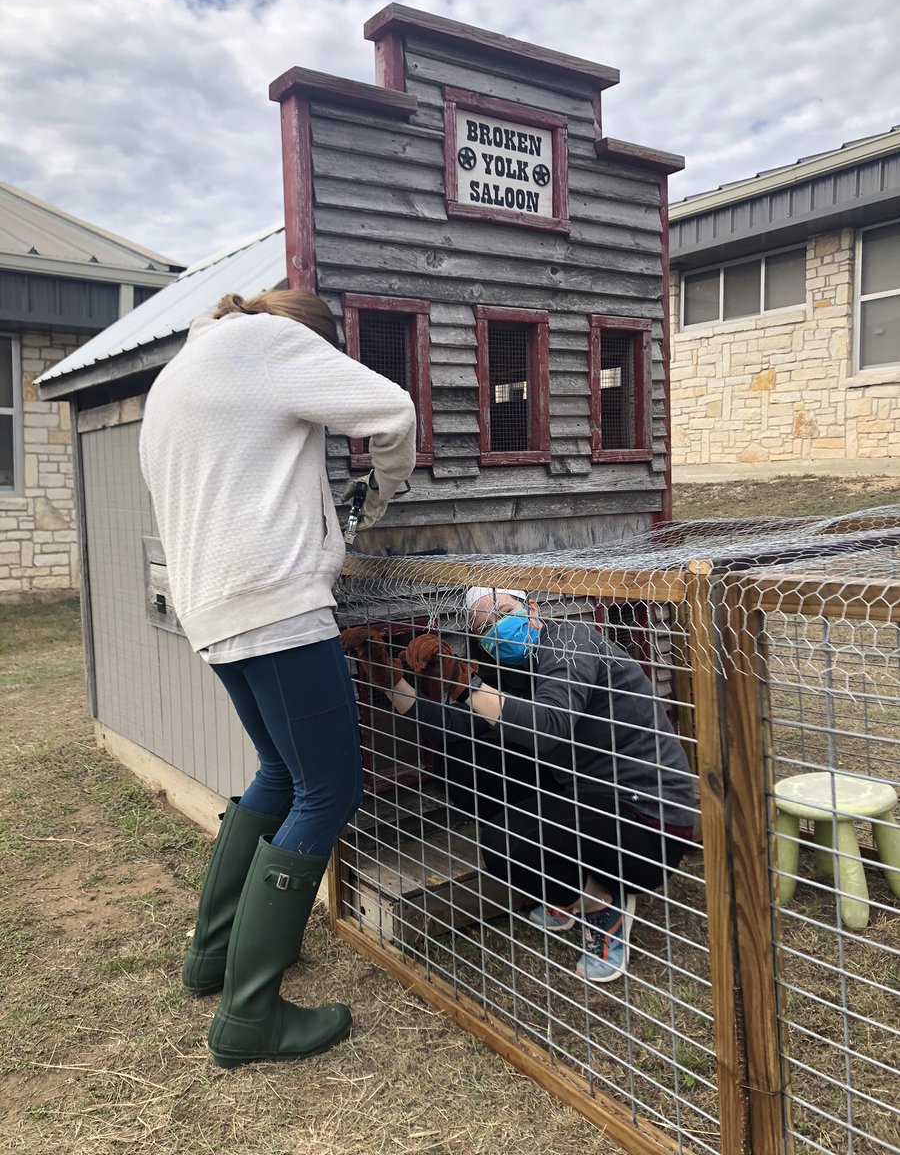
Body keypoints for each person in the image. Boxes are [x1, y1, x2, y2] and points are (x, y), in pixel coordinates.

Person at [139, 287, 416, 1067]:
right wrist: (381, 490)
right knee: (330, 789)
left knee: (278, 774)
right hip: (275, 604)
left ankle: (213, 959)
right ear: (306, 338)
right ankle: (249, 1017)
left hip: (214, 609)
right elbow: (392, 412)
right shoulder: (268, 342)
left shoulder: (181, 372)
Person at [341, 587, 696, 984]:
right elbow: (465, 726)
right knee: (468, 765)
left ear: (532, 610)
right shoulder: (518, 665)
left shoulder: (569, 644)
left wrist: (467, 684)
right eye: (484, 626)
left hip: (649, 820)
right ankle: (572, 884)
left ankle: (603, 904)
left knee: (503, 843)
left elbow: (551, 725)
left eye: (504, 611)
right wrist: (392, 684)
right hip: (592, 796)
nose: (496, 628)